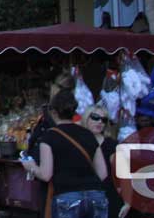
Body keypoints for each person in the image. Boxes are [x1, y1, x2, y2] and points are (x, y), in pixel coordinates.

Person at [22, 90, 108, 218]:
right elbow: (103, 173)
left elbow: (46, 175)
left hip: (67, 195)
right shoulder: (88, 134)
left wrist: (31, 166)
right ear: (74, 112)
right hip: (95, 195)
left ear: (54, 112)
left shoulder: (49, 136)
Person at [81, 105, 122, 218]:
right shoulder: (77, 142)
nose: (100, 122)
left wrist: (128, 201)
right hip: (81, 197)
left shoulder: (111, 145)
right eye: (95, 117)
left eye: (104, 120)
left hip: (108, 198)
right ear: (86, 118)